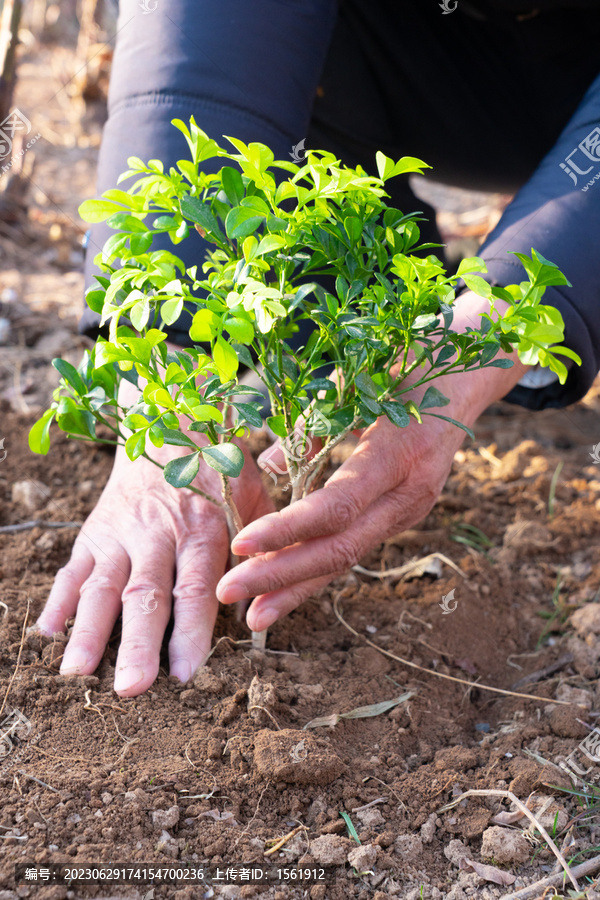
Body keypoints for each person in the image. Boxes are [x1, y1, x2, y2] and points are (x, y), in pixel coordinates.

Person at [34, 0, 600, 696]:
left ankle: (414, 343)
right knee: (310, 222)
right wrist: (169, 375)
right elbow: (204, 41)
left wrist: (496, 323)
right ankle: (370, 337)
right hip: (420, 58)